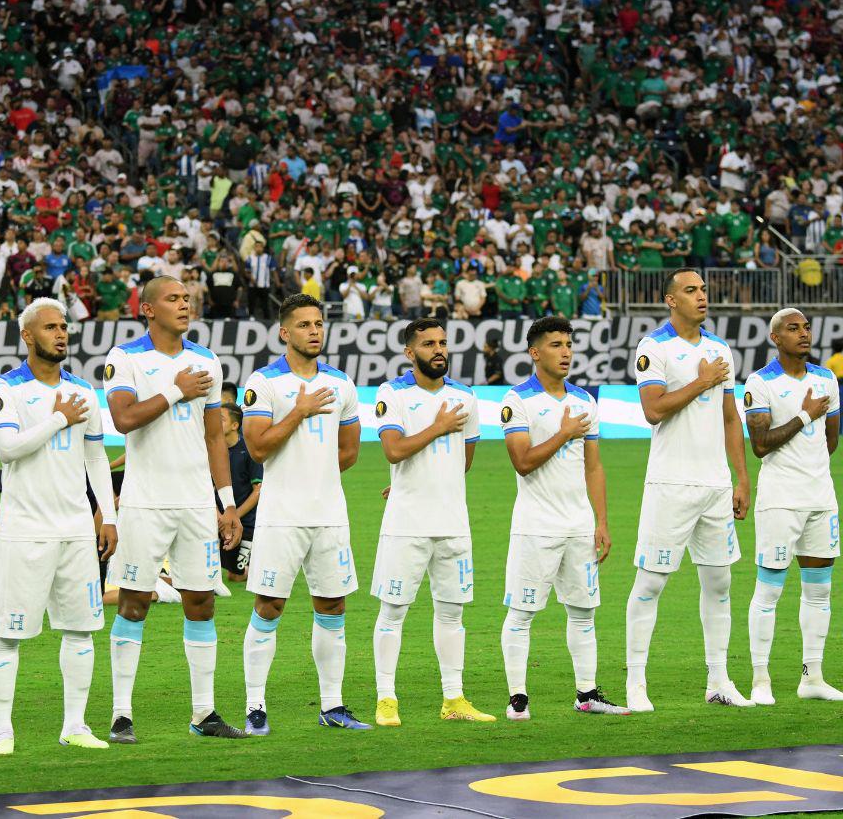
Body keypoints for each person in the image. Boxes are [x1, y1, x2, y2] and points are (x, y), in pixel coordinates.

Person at [102, 276, 245, 743]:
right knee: (135, 601)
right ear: (147, 309)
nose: (185, 305)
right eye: (173, 298)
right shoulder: (125, 358)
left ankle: (204, 713)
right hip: (144, 502)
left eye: (187, 298)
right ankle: (121, 714)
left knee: (201, 602)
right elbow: (123, 419)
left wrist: (227, 504)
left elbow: (213, 438)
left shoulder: (205, 360)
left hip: (196, 504)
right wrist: (175, 391)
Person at [0, 297, 119, 753]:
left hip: (77, 530)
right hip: (25, 529)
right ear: (27, 336)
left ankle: (75, 726)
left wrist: (109, 515)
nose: (61, 334)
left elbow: (96, 456)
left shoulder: (83, 391)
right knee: (7, 633)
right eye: (50, 328)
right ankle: (2, 729)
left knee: (81, 631)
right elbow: (7, 450)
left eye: (64, 327)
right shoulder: (7, 388)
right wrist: (59, 418)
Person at [240, 293, 370, 735]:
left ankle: (332, 705)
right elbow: (257, 447)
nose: (314, 331)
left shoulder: (342, 384)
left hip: (330, 514)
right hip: (280, 515)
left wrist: (316, 475)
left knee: (332, 605)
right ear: (285, 332)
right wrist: (299, 411)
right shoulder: (264, 383)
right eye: (304, 325)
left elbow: (349, 452)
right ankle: (254, 704)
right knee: (270, 605)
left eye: (318, 323)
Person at [626, 268, 752, 712]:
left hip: (715, 484)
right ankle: (636, 683)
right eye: (691, 291)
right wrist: (701, 381)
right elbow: (652, 411)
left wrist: (740, 477)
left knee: (720, 582)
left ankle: (718, 679)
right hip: (670, 483)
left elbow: (730, 417)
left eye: (703, 289)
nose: (702, 296)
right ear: (670, 300)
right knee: (651, 583)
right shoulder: (654, 347)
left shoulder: (719, 350)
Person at [498, 316, 627, 721]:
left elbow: (594, 467)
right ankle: (517, 697)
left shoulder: (585, 401)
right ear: (535, 353)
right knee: (522, 613)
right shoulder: (516, 401)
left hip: (578, 526)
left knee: (584, 611)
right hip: (535, 525)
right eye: (556, 345)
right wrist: (565, 433)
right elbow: (522, 462)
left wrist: (601, 521)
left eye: (569, 344)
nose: (566, 351)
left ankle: (587, 694)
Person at [370, 318, 493, 726]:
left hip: (454, 522)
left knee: (452, 613)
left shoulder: (466, 396)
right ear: (410, 352)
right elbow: (392, 450)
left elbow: (464, 460)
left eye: (442, 342)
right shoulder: (393, 393)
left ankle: (453, 699)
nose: (438, 349)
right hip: (406, 523)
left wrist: (427, 477)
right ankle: (386, 699)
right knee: (393, 611)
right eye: (428, 344)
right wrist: (438, 427)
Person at [744, 309, 841, 704]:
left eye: (805, 327)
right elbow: (761, 444)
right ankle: (760, 678)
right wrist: (805, 415)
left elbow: (830, 441)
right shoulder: (760, 383)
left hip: (821, 497)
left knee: (820, 591)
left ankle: (812, 677)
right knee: (769, 591)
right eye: (793, 328)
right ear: (774, 337)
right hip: (780, 501)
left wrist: (811, 427)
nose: (803, 334)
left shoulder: (826, 378)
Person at [217, 401, 262, 583]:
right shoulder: (212, 451)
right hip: (216, 521)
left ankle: (263, 560)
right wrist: (219, 517)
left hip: (245, 524)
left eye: (220, 419)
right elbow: (204, 486)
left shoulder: (249, 451)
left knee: (235, 575)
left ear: (235, 426)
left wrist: (233, 515)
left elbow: (258, 491)